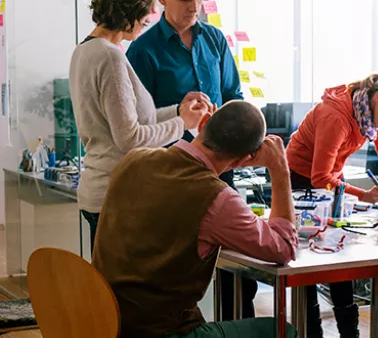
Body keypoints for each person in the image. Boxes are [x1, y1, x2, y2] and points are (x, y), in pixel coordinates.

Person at [92, 100, 298, 338]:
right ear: (244, 161)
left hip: (106, 321)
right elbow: (284, 248)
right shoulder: (216, 197)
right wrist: (280, 168)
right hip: (162, 333)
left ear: (203, 123)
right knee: (282, 330)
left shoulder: (132, 160)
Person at [125, 0, 251, 318]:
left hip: (220, 167)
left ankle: (234, 323)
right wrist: (181, 113)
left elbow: (234, 95)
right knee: (177, 264)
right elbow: (141, 121)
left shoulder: (214, 39)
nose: (194, 6)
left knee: (236, 262)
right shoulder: (143, 50)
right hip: (171, 172)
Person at [69, 0, 210, 252]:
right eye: (146, 13)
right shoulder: (110, 58)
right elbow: (130, 138)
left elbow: (135, 120)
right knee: (127, 292)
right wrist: (182, 123)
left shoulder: (85, 51)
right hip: (116, 195)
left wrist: (178, 110)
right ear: (130, 11)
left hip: (100, 192)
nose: (149, 18)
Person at [286, 73, 378, 338]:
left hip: (330, 176)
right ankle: (312, 331)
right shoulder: (336, 117)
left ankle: (349, 333)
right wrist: (363, 196)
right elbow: (318, 178)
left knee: (339, 250)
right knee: (310, 257)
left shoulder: (370, 114)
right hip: (299, 178)